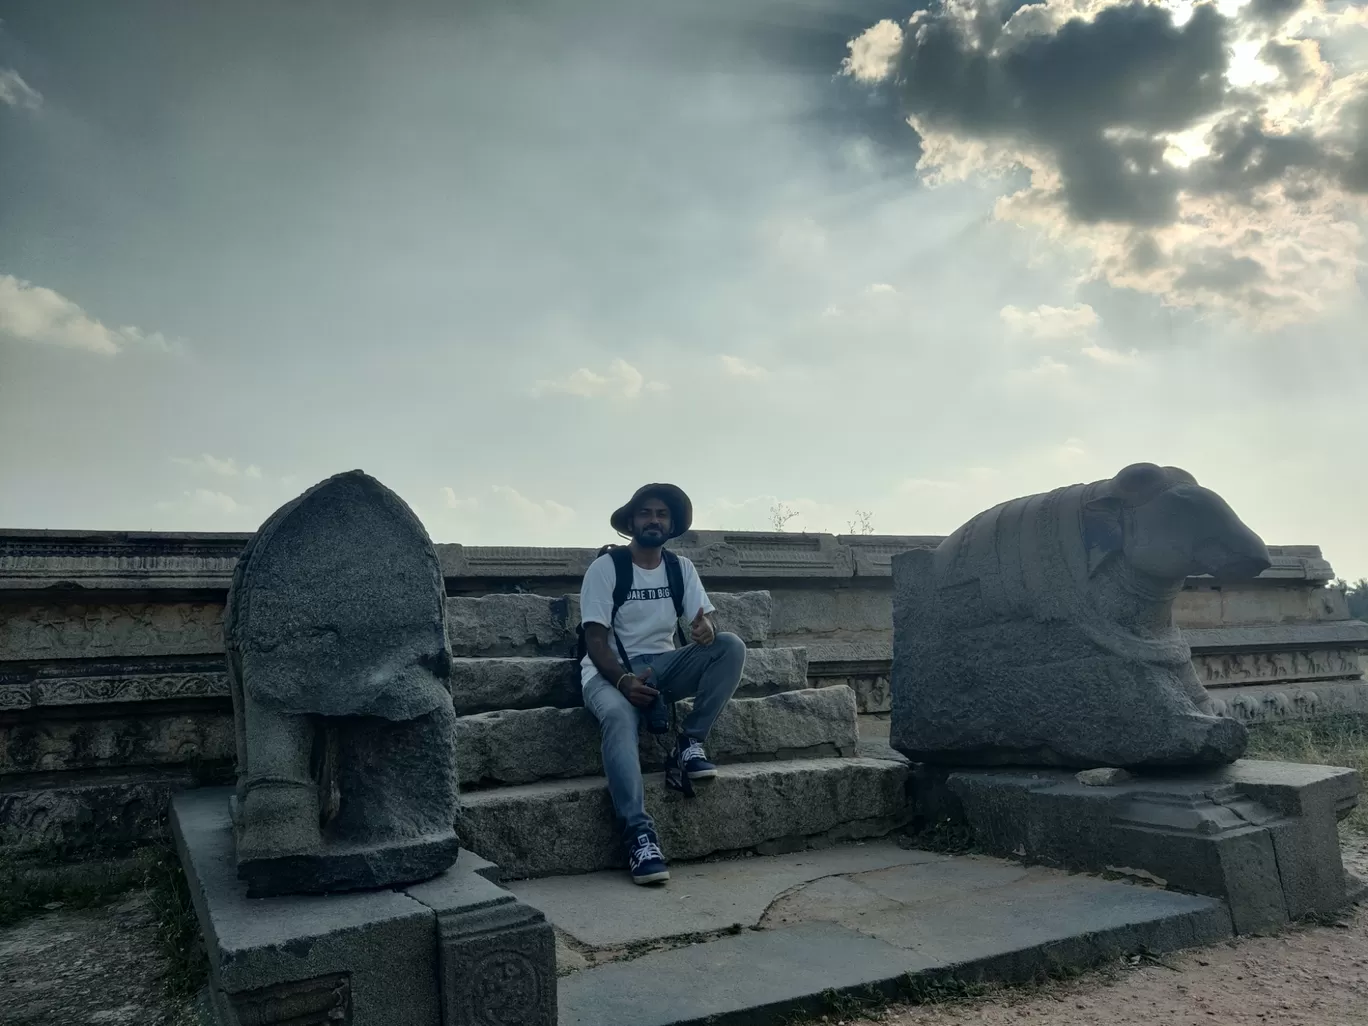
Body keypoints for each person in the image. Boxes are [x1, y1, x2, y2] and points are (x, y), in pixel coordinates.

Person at [578, 483, 746, 885]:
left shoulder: (680, 568)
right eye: (646, 513)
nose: (654, 520)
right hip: (609, 671)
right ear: (632, 521)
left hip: (663, 667)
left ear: (671, 524)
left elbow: (704, 623)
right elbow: (595, 639)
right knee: (619, 717)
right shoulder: (607, 568)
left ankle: (688, 743)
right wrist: (621, 680)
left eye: (662, 515)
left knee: (730, 647)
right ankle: (638, 835)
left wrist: (705, 626)